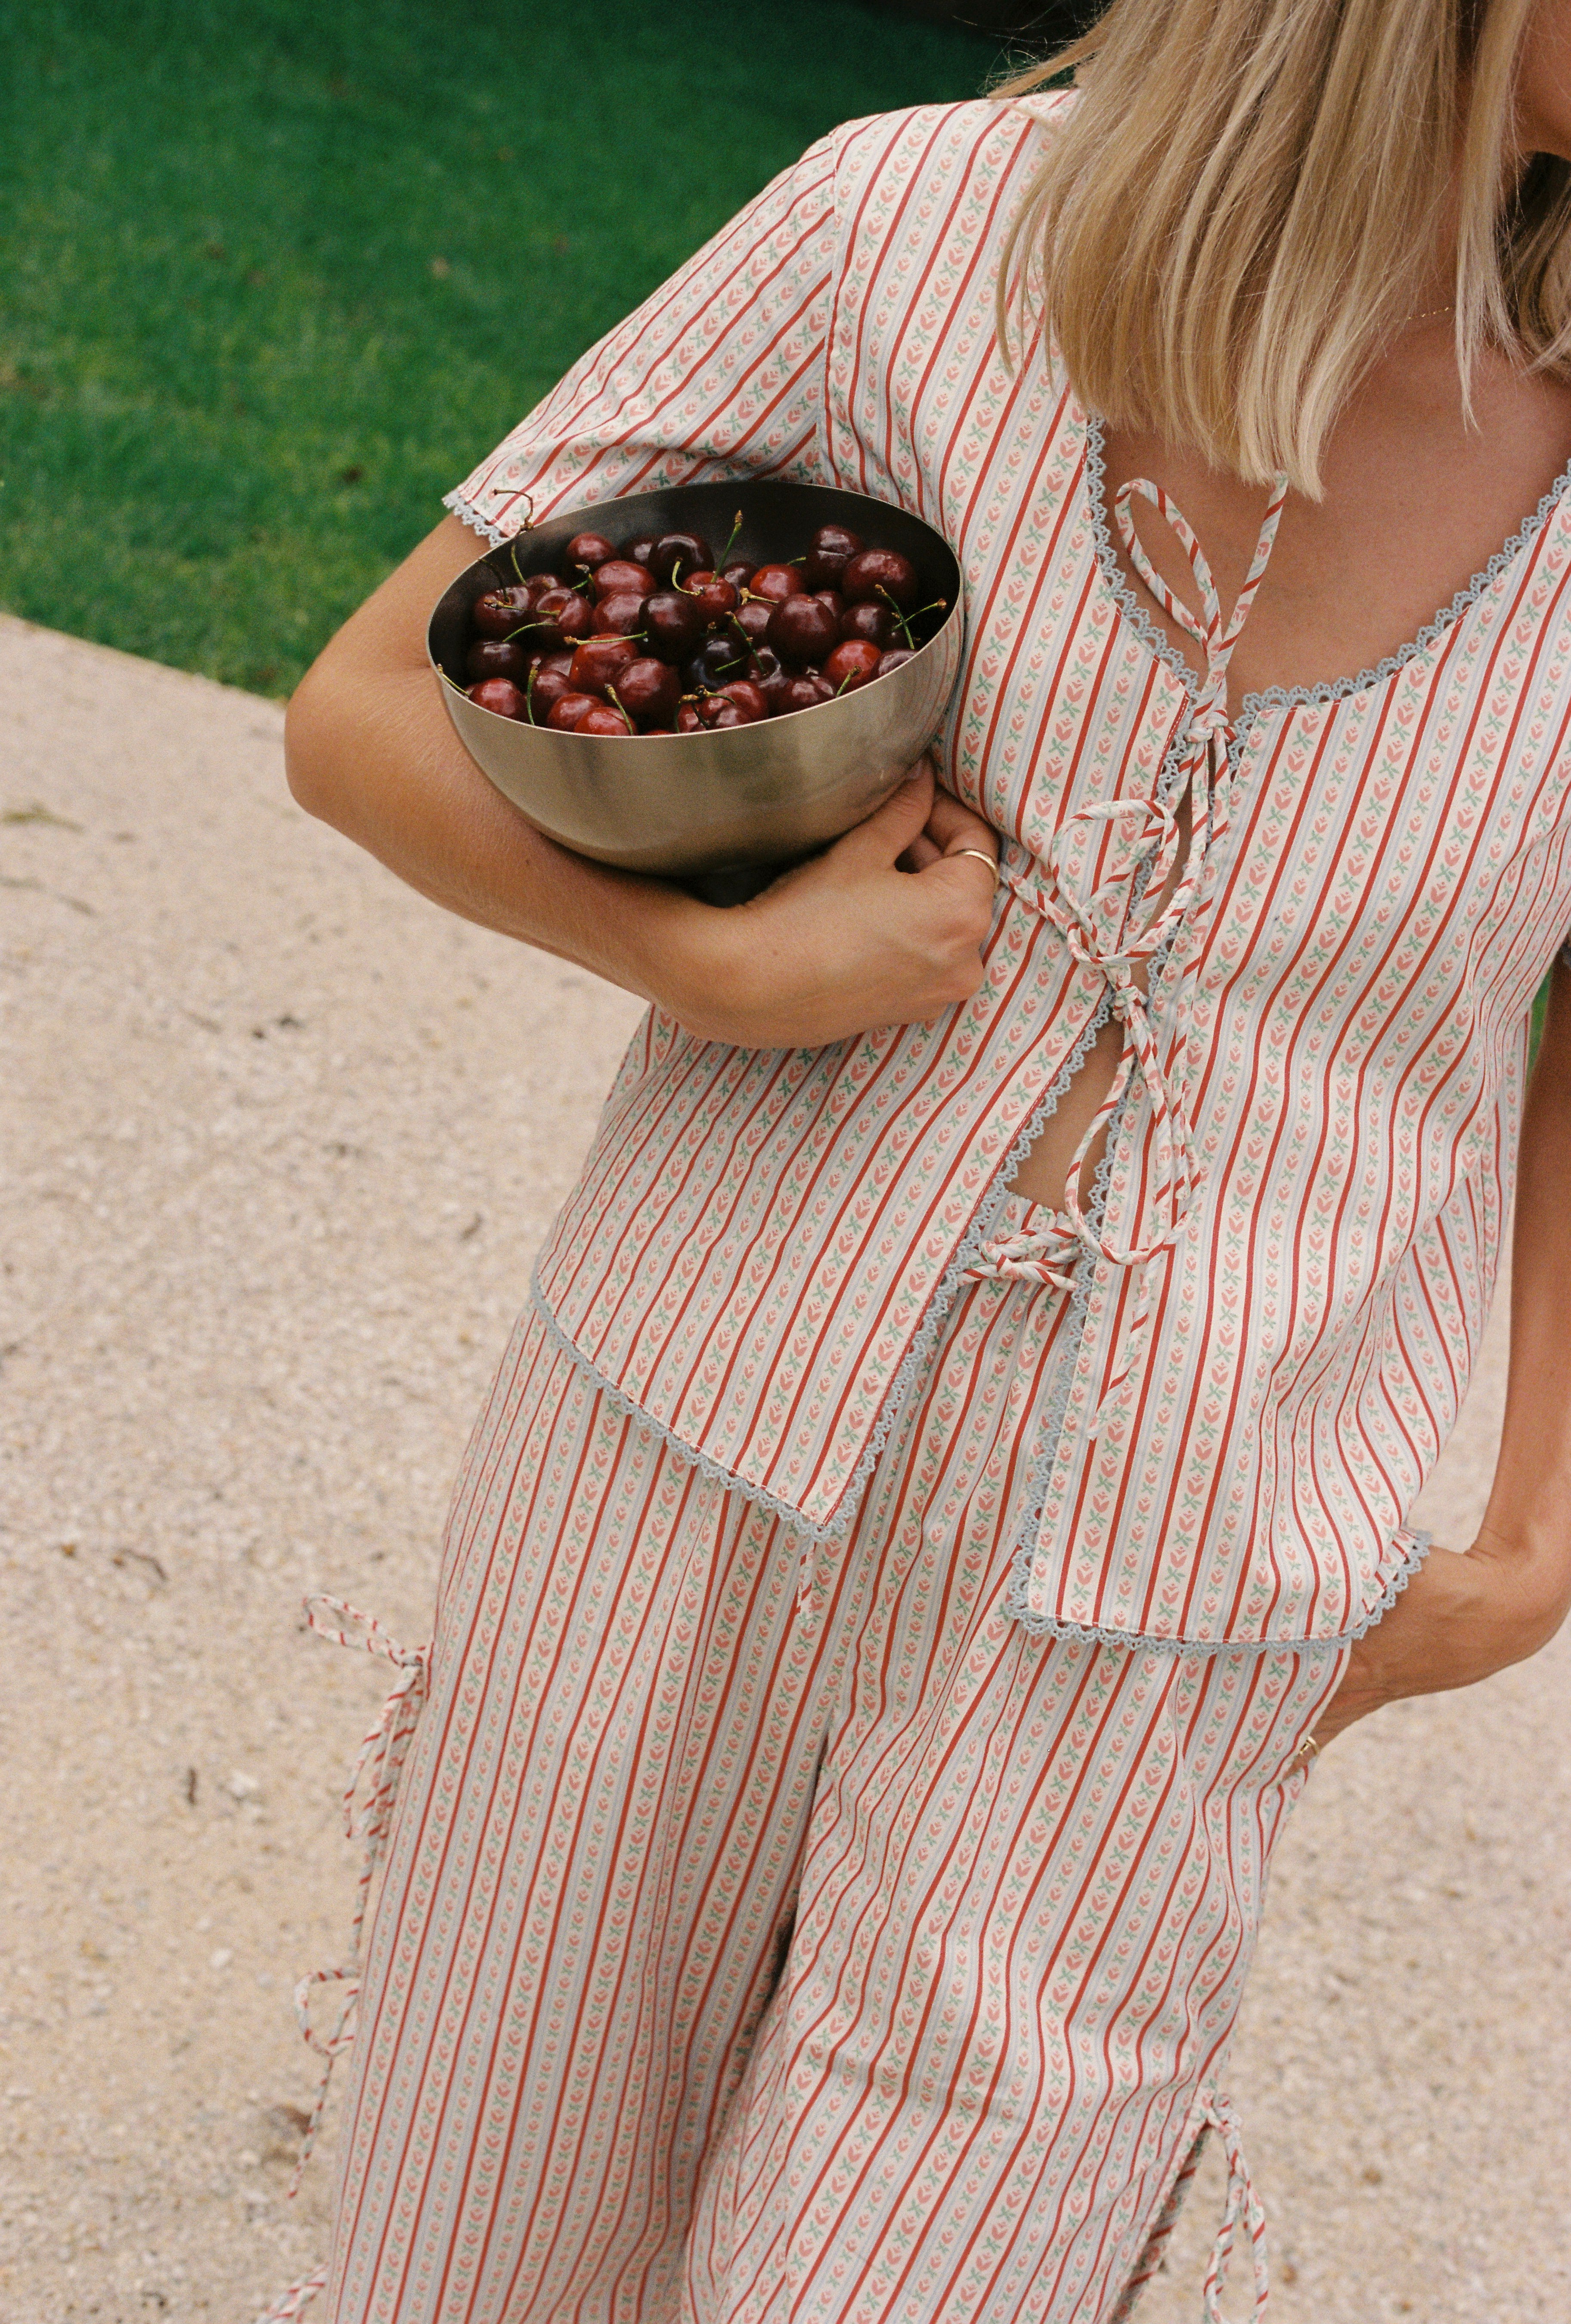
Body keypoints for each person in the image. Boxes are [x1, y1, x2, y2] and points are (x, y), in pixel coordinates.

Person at [267, 1, 1571, 2317]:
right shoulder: (916, 232)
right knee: (465, 2271)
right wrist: (725, 967)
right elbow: (371, 711)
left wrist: (1528, 1537)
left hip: (1168, 1610)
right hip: (671, 1459)